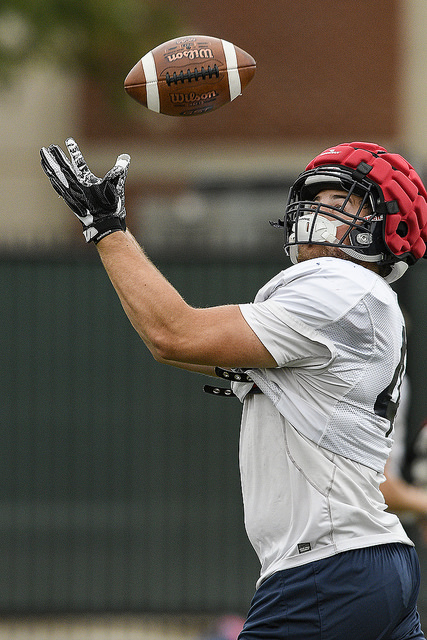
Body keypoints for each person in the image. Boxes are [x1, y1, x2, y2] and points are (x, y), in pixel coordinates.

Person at [40, 139, 427, 640]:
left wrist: (106, 226)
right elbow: (177, 345)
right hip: (371, 562)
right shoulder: (354, 303)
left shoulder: (344, 286)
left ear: (387, 226)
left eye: (338, 202)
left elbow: (174, 334)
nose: (315, 211)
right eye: (314, 199)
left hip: (326, 569)